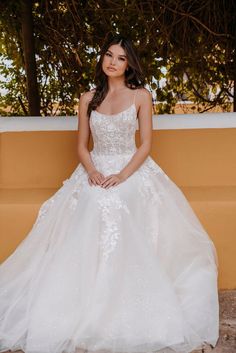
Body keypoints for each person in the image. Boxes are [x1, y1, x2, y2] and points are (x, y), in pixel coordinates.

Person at [0, 34, 219, 353]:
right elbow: (81, 146)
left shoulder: (141, 96)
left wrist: (121, 175)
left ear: (129, 65)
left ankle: (118, 295)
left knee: (115, 201)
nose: (112, 61)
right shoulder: (87, 98)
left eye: (120, 58)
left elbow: (145, 145)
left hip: (131, 169)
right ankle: (82, 297)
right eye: (108, 55)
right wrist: (92, 172)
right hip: (95, 168)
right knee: (91, 198)